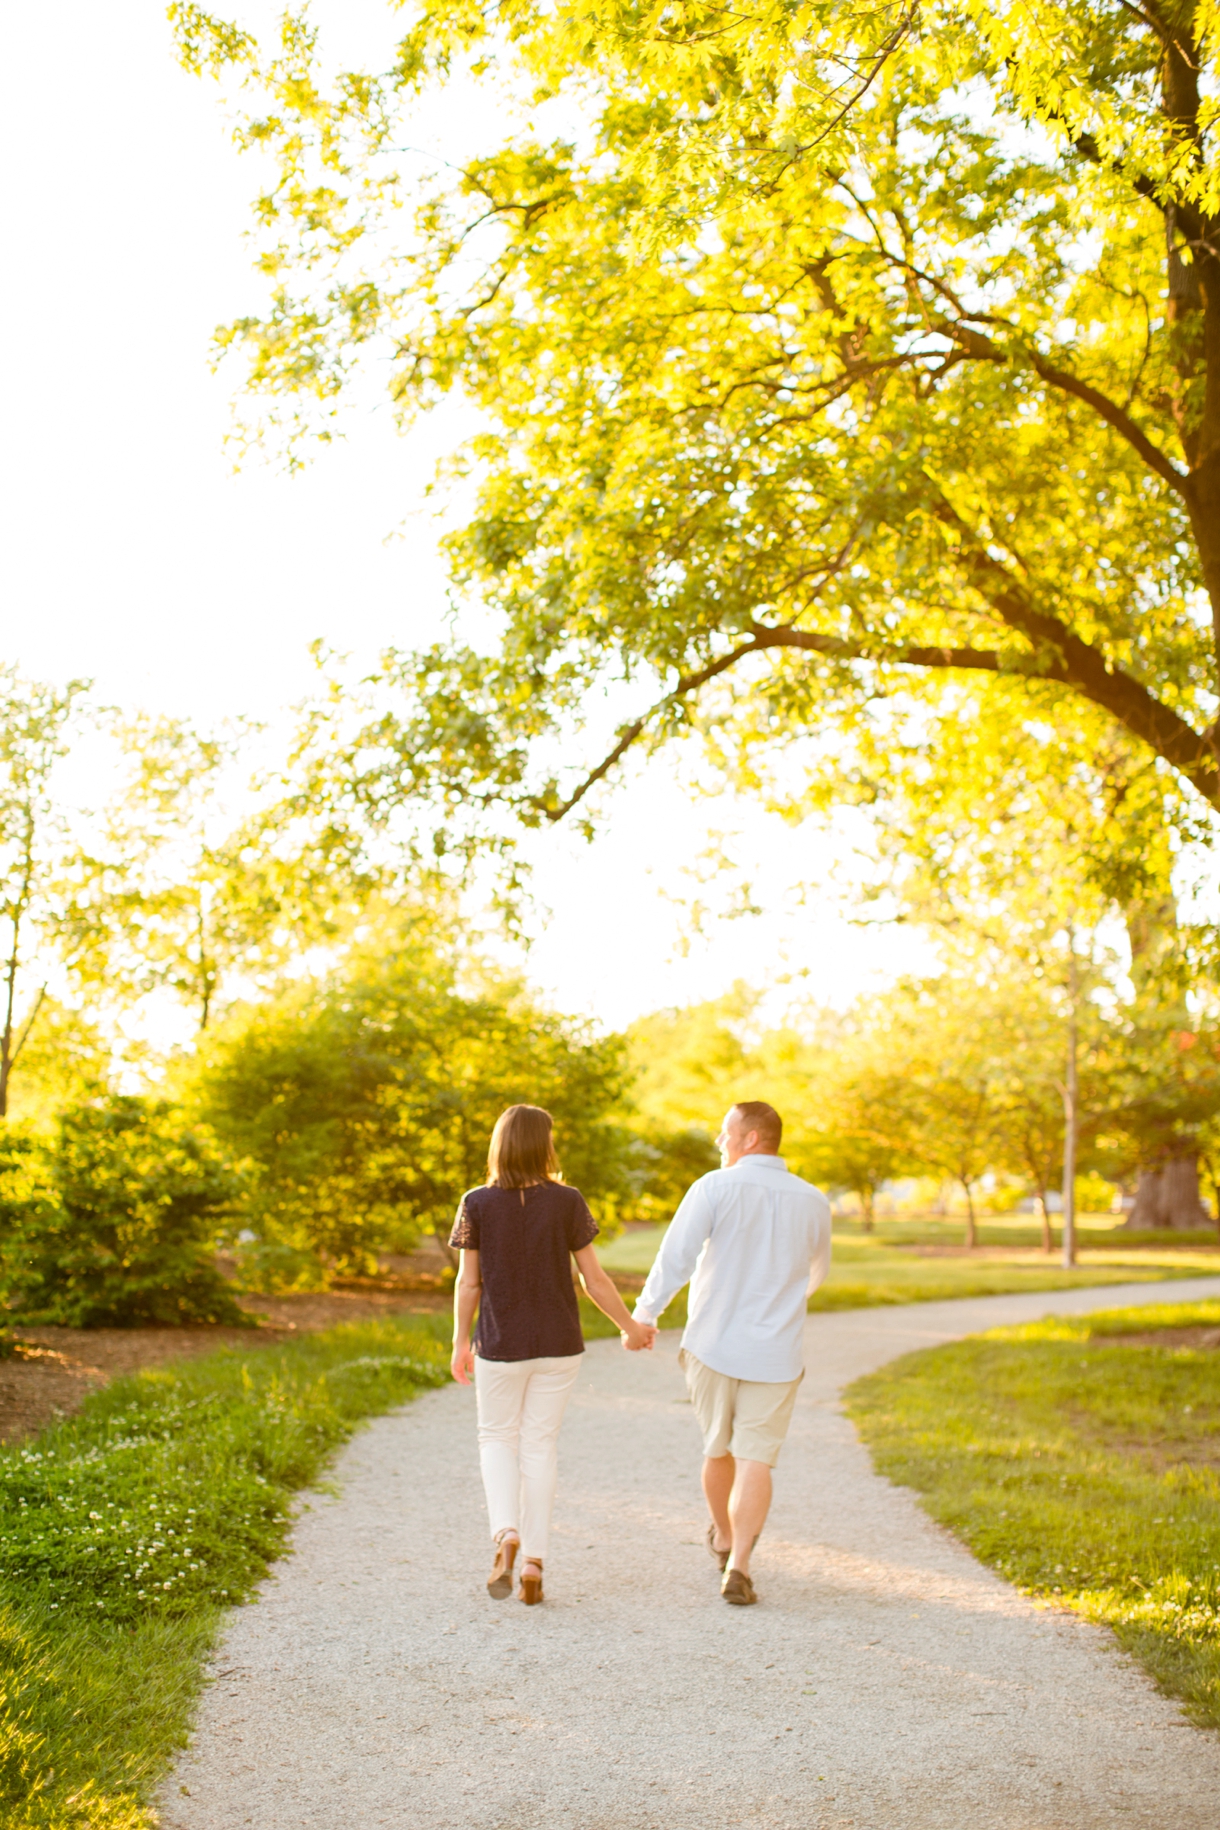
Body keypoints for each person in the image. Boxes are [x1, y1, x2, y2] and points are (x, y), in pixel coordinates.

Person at [450, 1103, 656, 1605]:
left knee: (497, 1438)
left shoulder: (476, 1202)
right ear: (545, 1145)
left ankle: (507, 1534)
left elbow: (468, 1282)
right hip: (559, 1343)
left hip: (500, 1344)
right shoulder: (567, 1201)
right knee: (540, 1445)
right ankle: (535, 1563)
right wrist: (629, 1327)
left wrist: (459, 1341)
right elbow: (594, 1279)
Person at [633, 1100, 831, 1606]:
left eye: (726, 1134)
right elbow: (817, 1272)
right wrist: (783, 1307)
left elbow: (675, 1257)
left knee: (717, 1448)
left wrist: (646, 1315)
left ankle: (722, 1537)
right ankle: (740, 1562)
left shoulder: (714, 1187)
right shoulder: (813, 1200)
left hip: (714, 1344)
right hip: (776, 1354)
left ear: (750, 1140)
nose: (719, 1143)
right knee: (756, 1459)